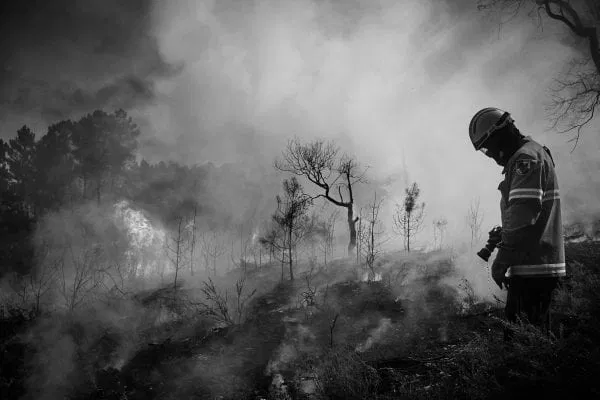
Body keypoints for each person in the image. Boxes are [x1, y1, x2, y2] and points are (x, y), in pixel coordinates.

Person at [469, 107, 566, 335]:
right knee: (531, 338)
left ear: (500, 135)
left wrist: (501, 261)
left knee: (523, 341)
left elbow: (523, 216)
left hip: (535, 267)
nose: (490, 155)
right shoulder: (532, 154)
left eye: (488, 148)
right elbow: (528, 212)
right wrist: (505, 233)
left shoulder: (526, 160)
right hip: (535, 266)